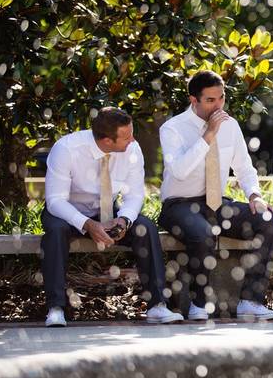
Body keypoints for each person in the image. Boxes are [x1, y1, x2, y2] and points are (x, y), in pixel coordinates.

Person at [159, 70, 273, 321]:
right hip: (179, 205)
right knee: (203, 233)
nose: (218, 106)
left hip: (216, 203)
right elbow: (180, 171)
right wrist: (208, 135)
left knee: (268, 221)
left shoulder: (231, 126)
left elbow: (244, 167)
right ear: (193, 100)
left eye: (221, 98)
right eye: (210, 100)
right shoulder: (172, 129)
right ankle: (199, 304)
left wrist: (255, 195)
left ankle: (250, 301)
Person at [42, 107, 182, 327]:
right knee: (55, 232)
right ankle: (56, 308)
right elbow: (55, 201)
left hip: (109, 211)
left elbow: (135, 195)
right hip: (68, 212)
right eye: (126, 136)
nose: (133, 139)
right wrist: (87, 224)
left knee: (145, 227)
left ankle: (157, 305)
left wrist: (124, 220)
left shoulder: (132, 149)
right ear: (107, 141)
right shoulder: (67, 149)